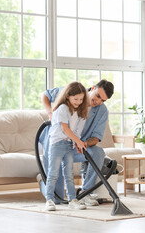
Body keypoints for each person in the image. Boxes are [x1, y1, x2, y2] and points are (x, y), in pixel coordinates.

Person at [39, 79, 114, 206]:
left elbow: (96, 137)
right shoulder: (74, 92)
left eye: (103, 100)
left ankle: (84, 192)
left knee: (98, 152)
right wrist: (50, 112)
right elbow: (45, 95)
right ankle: (43, 181)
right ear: (93, 87)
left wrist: (83, 143)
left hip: (75, 146)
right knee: (57, 198)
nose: (98, 102)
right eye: (98, 96)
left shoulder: (101, 111)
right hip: (55, 144)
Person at [45, 81, 88, 211]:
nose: (79, 102)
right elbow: (65, 129)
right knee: (53, 174)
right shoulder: (63, 108)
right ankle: (49, 200)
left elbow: (76, 131)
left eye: (81, 99)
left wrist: (78, 143)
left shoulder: (79, 111)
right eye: (76, 99)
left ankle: (72, 199)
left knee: (69, 174)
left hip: (69, 145)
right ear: (68, 96)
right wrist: (79, 142)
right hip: (57, 144)